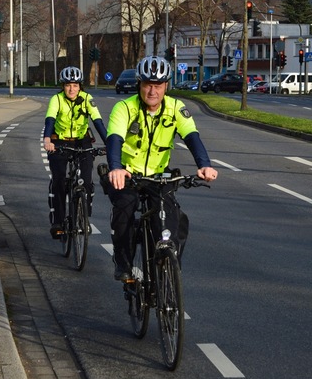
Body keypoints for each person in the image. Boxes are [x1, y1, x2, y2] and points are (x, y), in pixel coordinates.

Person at [105, 55, 218, 281]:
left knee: (176, 221)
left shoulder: (177, 108)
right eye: (148, 85)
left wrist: (204, 165)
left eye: (158, 85)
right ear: (140, 84)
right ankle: (124, 263)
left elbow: (192, 137)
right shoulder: (124, 108)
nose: (152, 91)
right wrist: (116, 168)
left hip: (159, 177)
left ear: (166, 85)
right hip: (129, 175)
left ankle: (167, 263)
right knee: (124, 212)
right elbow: (114, 139)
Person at [43, 66, 108, 239]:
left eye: (75, 85)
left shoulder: (87, 99)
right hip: (59, 142)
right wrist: (47, 139)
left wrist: (110, 143)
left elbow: (98, 121)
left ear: (80, 86)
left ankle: (84, 215)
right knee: (59, 180)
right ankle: (58, 221)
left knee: (86, 180)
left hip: (82, 142)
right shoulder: (57, 99)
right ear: (63, 86)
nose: (71, 89)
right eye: (68, 85)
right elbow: (50, 119)